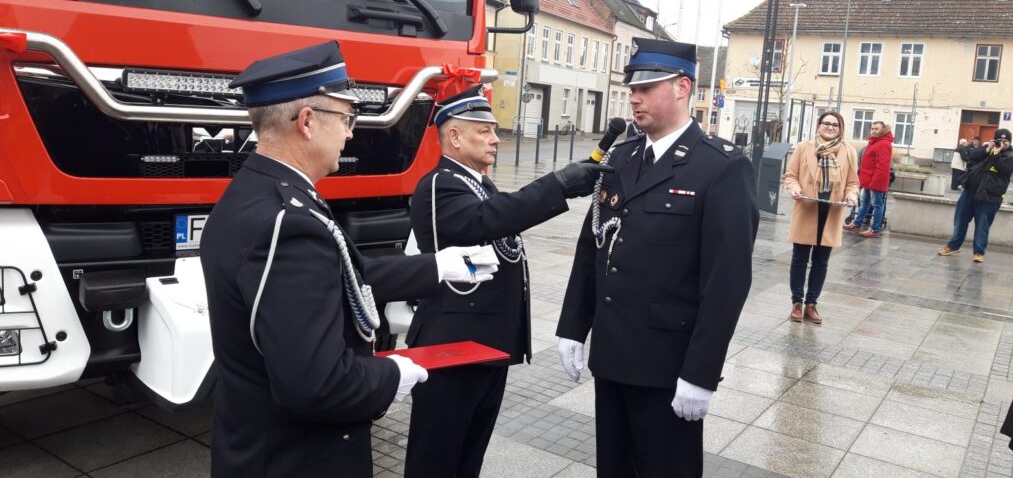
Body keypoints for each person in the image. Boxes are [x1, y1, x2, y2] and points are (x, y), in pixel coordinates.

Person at [201, 41, 493, 478]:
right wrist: (393, 375)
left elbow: (332, 277)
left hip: (255, 447)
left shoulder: (255, 192)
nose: (351, 132)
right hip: (297, 459)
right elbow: (319, 386)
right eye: (346, 118)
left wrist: (437, 266)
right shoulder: (287, 223)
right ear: (307, 122)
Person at [555, 38, 758, 478]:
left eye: (647, 87)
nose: (634, 96)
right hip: (612, 355)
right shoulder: (622, 156)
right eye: (632, 87)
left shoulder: (721, 167)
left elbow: (727, 282)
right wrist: (574, 325)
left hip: (668, 365)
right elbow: (593, 245)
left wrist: (701, 373)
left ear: (682, 87)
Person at [403, 86, 610, 478]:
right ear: (455, 137)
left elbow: (500, 218)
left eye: (494, 130)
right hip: (450, 349)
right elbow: (486, 220)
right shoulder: (438, 184)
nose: (496, 139)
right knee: (436, 460)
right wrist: (559, 184)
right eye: (484, 131)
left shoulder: (477, 182)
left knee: (467, 456)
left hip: (482, 347)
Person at [785, 112, 859, 324]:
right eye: (826, 123)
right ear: (818, 125)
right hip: (806, 208)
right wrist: (795, 188)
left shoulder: (849, 151)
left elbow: (853, 182)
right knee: (799, 260)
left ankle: (812, 304)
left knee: (821, 262)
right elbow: (790, 176)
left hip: (832, 212)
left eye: (835, 124)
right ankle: (797, 303)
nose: (830, 127)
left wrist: (852, 195)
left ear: (841, 128)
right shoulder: (803, 148)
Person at [938, 128, 1013, 263]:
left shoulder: (1011, 157)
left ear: (1009, 143)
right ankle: (953, 246)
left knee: (982, 226)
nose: (1002, 143)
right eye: (1000, 140)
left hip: (989, 197)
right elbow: (971, 156)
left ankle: (979, 252)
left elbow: (1004, 169)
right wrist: (986, 149)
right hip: (969, 192)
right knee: (960, 221)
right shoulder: (986, 150)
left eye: (1005, 141)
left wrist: (996, 154)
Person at [845, 121, 892, 237]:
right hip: (867, 181)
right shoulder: (874, 142)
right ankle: (856, 224)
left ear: (883, 130)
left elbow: (883, 166)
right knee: (864, 203)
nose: (873, 130)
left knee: (877, 205)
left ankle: (875, 230)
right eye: (873, 128)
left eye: (876, 129)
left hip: (875, 182)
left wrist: (874, 182)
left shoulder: (884, 144)